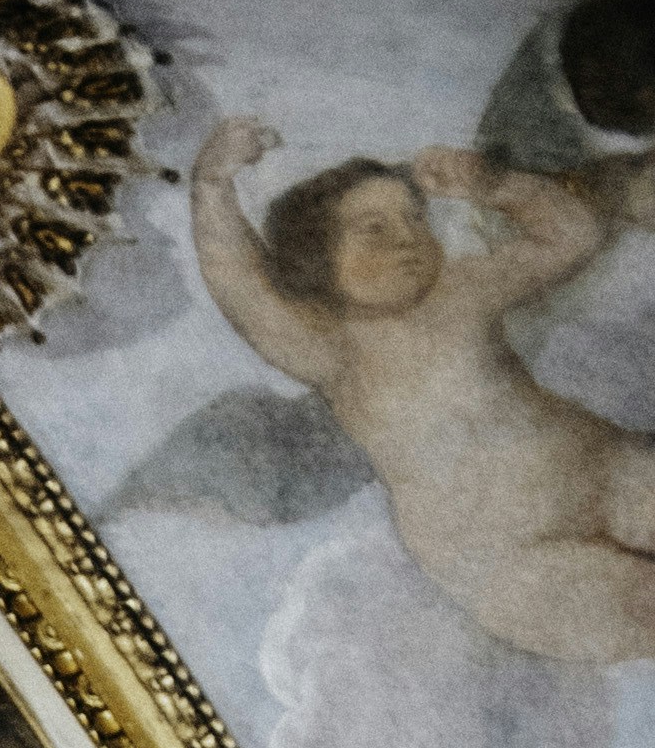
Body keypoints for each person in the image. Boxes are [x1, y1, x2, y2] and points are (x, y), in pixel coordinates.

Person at [189, 127, 655, 667]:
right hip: (515, 563)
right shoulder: (334, 353)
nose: (407, 237)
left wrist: (492, 184)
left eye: (414, 218)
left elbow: (574, 235)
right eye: (373, 230)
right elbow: (242, 288)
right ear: (315, 259)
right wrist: (213, 185)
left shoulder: (461, 292)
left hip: (606, 473)